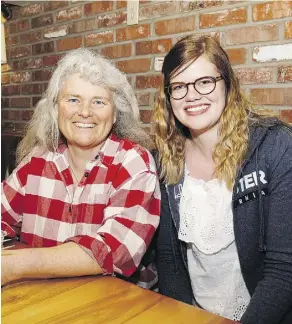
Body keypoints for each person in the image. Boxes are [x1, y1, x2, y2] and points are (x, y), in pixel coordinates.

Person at [152, 35, 292, 324]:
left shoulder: (274, 147)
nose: (191, 95)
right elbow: (169, 262)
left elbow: (283, 271)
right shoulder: (165, 160)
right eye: (178, 87)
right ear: (168, 97)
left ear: (227, 83)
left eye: (204, 82)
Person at [1, 48, 160, 288]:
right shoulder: (37, 159)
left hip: (114, 305)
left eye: (98, 101)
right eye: (73, 99)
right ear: (55, 110)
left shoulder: (133, 162)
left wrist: (15, 265)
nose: (85, 112)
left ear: (115, 114)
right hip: (43, 298)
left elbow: (116, 251)